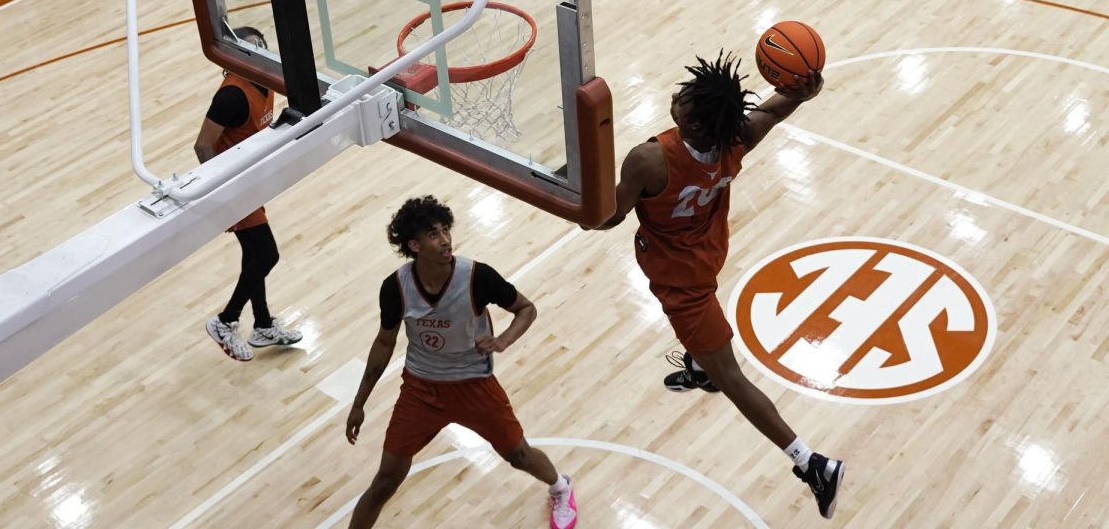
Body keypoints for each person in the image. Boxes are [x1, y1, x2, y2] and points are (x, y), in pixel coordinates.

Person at [586, 52, 845, 520]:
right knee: (710, 358)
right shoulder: (736, 138)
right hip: (707, 253)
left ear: (700, 125)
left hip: (683, 284)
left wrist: (575, 203)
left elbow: (607, 219)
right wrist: (804, 93)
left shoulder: (649, 160)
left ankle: (812, 464)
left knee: (732, 378)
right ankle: (699, 366)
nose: (676, 97)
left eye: (685, 100)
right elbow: (774, 110)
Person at [345, 196, 577, 529]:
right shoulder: (396, 287)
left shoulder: (477, 276)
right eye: (433, 234)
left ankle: (561, 487)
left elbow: (527, 309)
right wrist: (359, 404)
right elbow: (384, 343)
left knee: (519, 455)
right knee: (386, 479)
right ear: (414, 244)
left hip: (474, 385)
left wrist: (503, 340)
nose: (445, 240)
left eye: (445, 230)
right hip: (421, 389)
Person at [194, 27, 303, 361]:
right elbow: (202, 145)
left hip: (249, 181)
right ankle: (226, 320)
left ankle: (262, 325)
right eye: (252, 49)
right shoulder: (232, 96)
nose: (260, 52)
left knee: (254, 257)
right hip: (233, 187)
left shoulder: (266, 81)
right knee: (266, 255)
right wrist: (224, 186)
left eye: (262, 46)